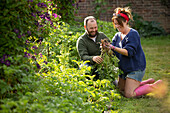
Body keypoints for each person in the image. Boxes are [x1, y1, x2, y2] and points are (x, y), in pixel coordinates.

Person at [104, 7, 163, 98]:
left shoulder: (133, 34)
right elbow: (113, 51)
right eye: (115, 24)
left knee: (129, 94)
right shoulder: (117, 35)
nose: (117, 26)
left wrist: (113, 47)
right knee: (120, 90)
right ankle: (145, 82)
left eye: (119, 24)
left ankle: (153, 87)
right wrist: (107, 48)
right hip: (124, 68)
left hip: (135, 68)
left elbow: (128, 52)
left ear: (126, 22)